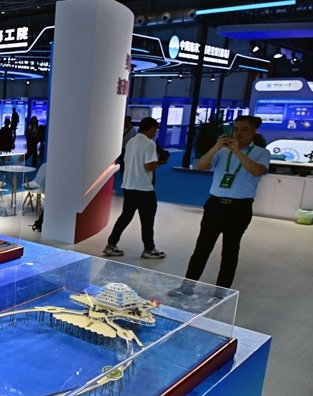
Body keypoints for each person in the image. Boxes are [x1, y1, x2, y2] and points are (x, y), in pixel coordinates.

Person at [170, 115, 271, 295]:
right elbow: (201, 166)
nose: (238, 133)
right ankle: (187, 286)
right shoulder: (222, 151)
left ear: (254, 132)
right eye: (236, 129)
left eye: (244, 129)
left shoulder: (261, 153)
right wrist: (216, 147)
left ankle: (221, 291)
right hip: (215, 205)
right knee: (202, 247)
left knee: (230, 251)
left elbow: (257, 171)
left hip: (239, 208)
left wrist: (238, 152)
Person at [103, 117, 167, 259]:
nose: (155, 132)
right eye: (155, 129)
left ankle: (111, 244)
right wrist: (160, 163)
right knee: (147, 220)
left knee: (125, 216)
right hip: (143, 188)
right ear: (151, 128)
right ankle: (149, 249)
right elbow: (148, 166)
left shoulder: (131, 142)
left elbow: (127, 161)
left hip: (128, 186)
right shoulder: (149, 144)